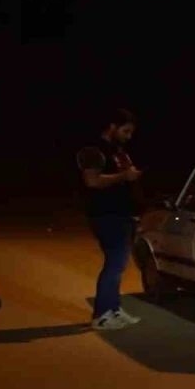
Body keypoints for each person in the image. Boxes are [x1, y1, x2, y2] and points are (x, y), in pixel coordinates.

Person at [76, 107, 144, 330]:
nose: (129, 136)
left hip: (122, 214)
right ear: (112, 127)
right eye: (126, 131)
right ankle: (102, 315)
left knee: (119, 264)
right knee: (115, 264)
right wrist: (124, 175)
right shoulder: (93, 150)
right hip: (106, 215)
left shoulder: (117, 150)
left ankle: (113, 308)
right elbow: (92, 181)